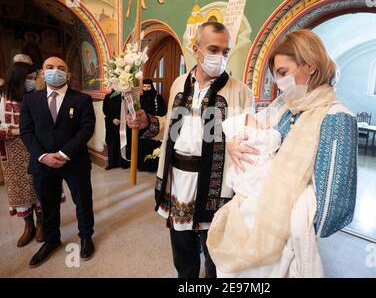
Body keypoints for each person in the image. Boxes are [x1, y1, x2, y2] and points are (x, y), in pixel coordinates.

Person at [207, 29, 358, 277]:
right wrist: (233, 143)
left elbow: (333, 208)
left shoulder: (336, 119)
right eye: (276, 76)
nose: (279, 83)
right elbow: (249, 128)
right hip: (255, 221)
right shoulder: (287, 110)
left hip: (285, 243)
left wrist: (281, 212)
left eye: (283, 73)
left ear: (310, 66)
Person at [127, 22, 254, 278]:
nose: (221, 57)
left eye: (226, 51)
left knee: (216, 251)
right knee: (182, 249)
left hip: (217, 185)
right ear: (196, 50)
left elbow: (247, 142)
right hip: (178, 179)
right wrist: (148, 123)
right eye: (213, 49)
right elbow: (172, 129)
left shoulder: (240, 92)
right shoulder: (178, 84)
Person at [20, 56, 96, 268]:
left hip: (74, 161)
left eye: (61, 68)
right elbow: (26, 132)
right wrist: (43, 156)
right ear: (42, 73)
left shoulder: (81, 100)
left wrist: (63, 154)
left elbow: (86, 129)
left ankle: (86, 236)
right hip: (42, 163)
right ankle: (51, 239)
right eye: (50, 67)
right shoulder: (30, 100)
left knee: (82, 201)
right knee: (48, 203)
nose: (56, 71)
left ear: (68, 74)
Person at [0, 62, 45, 247]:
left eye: (35, 78)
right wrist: (19, 131)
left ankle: (41, 223)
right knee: (20, 190)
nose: (33, 82)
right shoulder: (2, 97)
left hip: (36, 148)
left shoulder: (37, 96)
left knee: (40, 187)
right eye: (30, 78)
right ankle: (28, 226)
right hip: (12, 152)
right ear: (19, 78)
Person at [133, 79, 166, 172]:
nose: (146, 89)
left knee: (152, 146)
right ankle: (142, 165)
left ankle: (152, 166)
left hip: (154, 126)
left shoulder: (157, 97)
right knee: (142, 146)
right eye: (144, 87)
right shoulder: (139, 97)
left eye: (148, 87)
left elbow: (162, 111)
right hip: (141, 126)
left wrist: (152, 119)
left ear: (152, 87)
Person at [103, 91, 129, 170]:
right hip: (111, 123)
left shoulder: (125, 96)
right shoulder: (108, 96)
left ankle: (123, 162)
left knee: (122, 141)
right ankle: (112, 163)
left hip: (124, 123)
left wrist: (124, 119)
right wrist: (112, 119)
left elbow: (129, 109)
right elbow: (105, 109)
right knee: (112, 142)